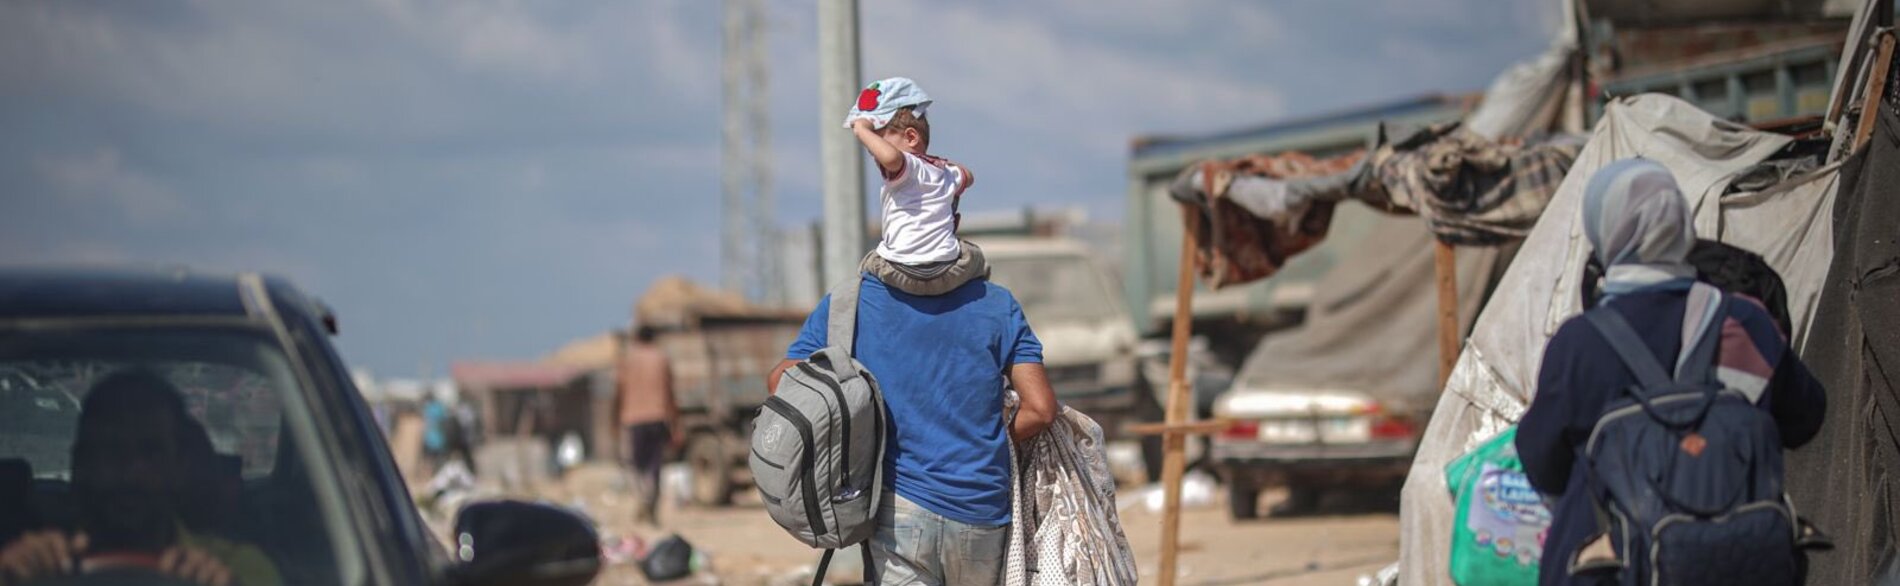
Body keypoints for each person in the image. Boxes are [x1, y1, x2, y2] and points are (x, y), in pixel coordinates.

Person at [1515, 159, 1826, 586]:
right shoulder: (1745, 322)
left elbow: (1542, 464)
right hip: (1738, 566)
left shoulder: (1579, 344)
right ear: (1681, 222)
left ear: (1605, 231)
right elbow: (1806, 419)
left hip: (1609, 568)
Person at [768, 271, 1058, 586]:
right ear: (955, 222)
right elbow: (1040, 409)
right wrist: (983, 440)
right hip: (979, 507)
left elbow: (781, 384)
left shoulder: (846, 305)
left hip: (896, 510)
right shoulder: (997, 303)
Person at [0, 369, 282, 586]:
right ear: (80, 465)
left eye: (151, 453)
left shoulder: (239, 569)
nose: (131, 471)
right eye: (110, 451)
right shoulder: (27, 571)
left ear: (179, 465)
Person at [845, 77, 989, 297]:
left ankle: (869, 300)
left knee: (870, 262)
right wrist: (945, 167)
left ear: (911, 137)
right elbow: (968, 177)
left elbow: (892, 159)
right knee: (975, 255)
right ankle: (980, 297)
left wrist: (862, 131)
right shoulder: (944, 171)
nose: (873, 151)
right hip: (948, 269)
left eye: (878, 141)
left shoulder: (907, 166)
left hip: (899, 270)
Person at [614, 325, 681, 527]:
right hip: (658, 417)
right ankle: (651, 506)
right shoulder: (662, 358)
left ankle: (643, 499)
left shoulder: (627, 359)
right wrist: (676, 424)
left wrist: (613, 419)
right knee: (654, 465)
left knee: (635, 465)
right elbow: (670, 393)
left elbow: (618, 391)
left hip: (633, 419)